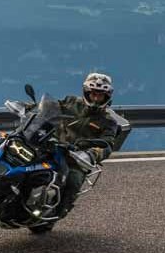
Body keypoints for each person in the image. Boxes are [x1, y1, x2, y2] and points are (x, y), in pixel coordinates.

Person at [52, 72, 129, 218]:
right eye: (93, 93)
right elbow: (50, 108)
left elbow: (107, 144)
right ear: (87, 93)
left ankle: (58, 211)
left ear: (106, 97)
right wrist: (29, 108)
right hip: (53, 145)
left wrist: (91, 153)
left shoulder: (109, 121)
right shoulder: (71, 102)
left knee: (73, 179)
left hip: (75, 158)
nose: (96, 98)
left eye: (100, 95)